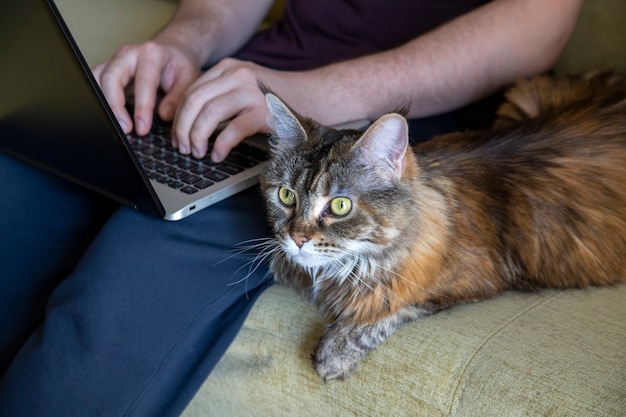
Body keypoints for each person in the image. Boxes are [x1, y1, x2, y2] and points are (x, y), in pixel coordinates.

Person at [0, 0, 583, 416]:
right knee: (20, 180)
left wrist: (332, 95)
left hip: (398, 117)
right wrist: (185, 43)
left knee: (134, 267)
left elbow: (540, 22)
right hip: (258, 90)